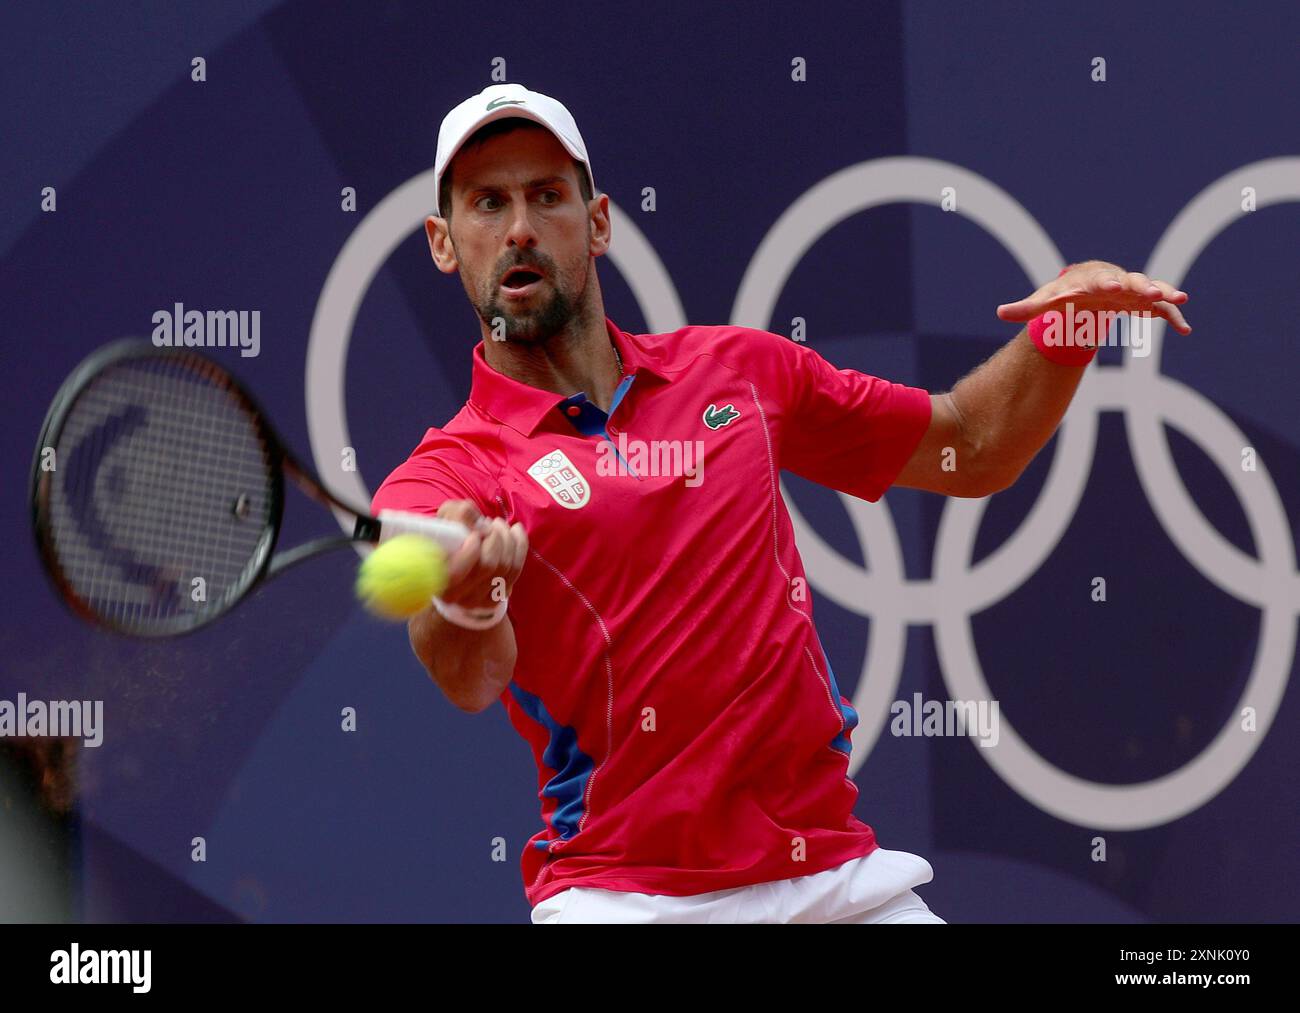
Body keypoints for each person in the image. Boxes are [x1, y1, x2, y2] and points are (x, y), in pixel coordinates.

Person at [371, 82, 1192, 924]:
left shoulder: (740, 373)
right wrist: (466, 604)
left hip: (835, 882)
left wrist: (1068, 331)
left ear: (600, 221)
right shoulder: (448, 473)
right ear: (444, 242)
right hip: (623, 900)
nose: (518, 228)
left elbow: (970, 447)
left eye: (547, 196)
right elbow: (468, 677)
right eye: (486, 203)